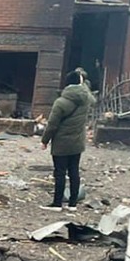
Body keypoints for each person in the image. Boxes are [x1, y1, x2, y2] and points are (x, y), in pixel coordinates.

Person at [40, 71, 96, 212]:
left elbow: (52, 124)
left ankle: (57, 204)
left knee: (60, 172)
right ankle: (72, 204)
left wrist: (44, 140)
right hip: (77, 142)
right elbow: (91, 96)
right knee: (74, 172)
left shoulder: (61, 102)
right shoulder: (86, 99)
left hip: (61, 143)